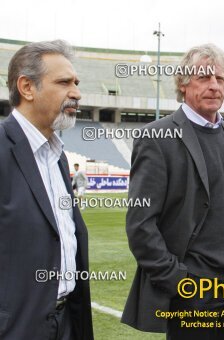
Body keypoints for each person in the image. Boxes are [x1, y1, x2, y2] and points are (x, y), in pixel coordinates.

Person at [121, 44, 224, 340]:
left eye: (220, 79)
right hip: (195, 291)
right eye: (204, 78)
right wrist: (179, 281)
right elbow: (140, 224)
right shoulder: (157, 137)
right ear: (183, 84)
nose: (214, 86)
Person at [0, 40, 93, 339]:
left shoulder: (57, 155)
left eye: (76, 83)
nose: (76, 93)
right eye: (64, 82)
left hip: (66, 322)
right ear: (27, 87)